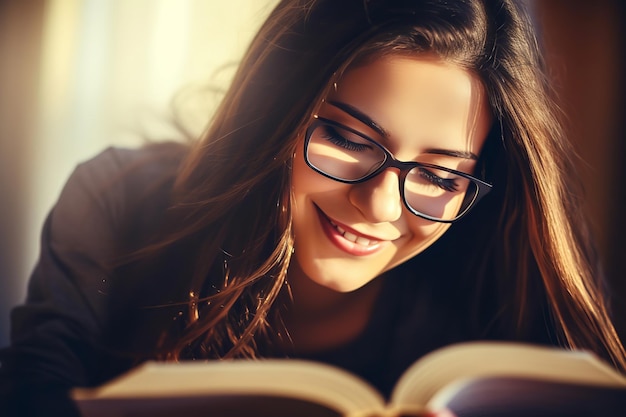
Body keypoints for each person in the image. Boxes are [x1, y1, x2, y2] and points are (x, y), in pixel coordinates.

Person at [1, 0, 625, 416]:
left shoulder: (508, 266)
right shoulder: (119, 200)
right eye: (348, 139)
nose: (380, 204)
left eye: (439, 174)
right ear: (274, 114)